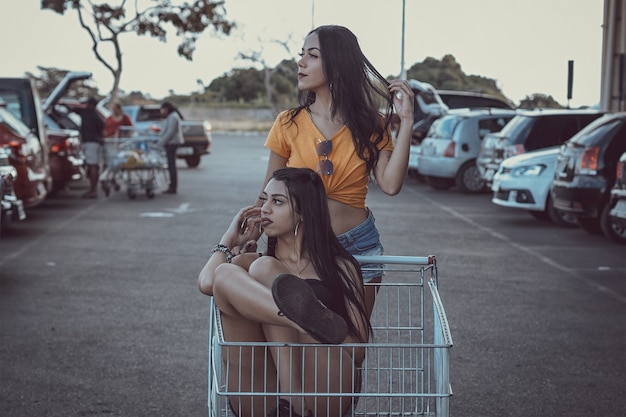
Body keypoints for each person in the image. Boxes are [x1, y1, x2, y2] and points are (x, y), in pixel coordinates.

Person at [254, 25, 415, 313]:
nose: (300, 63)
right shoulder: (288, 122)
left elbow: (391, 185)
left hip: (358, 246)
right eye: (301, 55)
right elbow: (267, 192)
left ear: (338, 64)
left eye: (312, 56)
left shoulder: (372, 124)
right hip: (299, 248)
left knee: (353, 347)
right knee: (302, 337)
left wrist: (406, 123)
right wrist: (250, 234)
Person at [198, 167, 371, 417]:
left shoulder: (341, 267)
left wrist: (316, 330)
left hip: (323, 388)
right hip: (264, 392)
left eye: (277, 201)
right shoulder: (249, 262)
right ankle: (292, 383)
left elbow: (357, 353)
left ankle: (295, 386)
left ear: (303, 211)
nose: (265, 208)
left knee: (266, 269)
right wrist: (228, 240)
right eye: (264, 199)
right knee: (231, 272)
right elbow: (207, 283)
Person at [77, 97, 105, 199]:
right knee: (96, 166)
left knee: (92, 166)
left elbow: (72, 108)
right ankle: (94, 189)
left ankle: (93, 190)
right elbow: (102, 129)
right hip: (97, 142)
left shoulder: (85, 113)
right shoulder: (97, 116)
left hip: (90, 142)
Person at [157, 101, 184, 194]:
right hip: (169, 143)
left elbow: (170, 132)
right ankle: (172, 185)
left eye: (163, 109)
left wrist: (161, 142)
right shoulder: (170, 117)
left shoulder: (173, 117)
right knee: (170, 165)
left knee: (172, 165)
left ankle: (173, 186)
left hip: (172, 143)